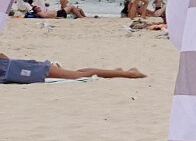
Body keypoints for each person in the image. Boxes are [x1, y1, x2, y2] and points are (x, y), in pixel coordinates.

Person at [0, 51, 145, 80]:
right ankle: (114, 72)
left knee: (77, 75)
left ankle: (128, 74)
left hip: (22, 70)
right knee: (76, 73)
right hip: (18, 67)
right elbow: (4, 57)